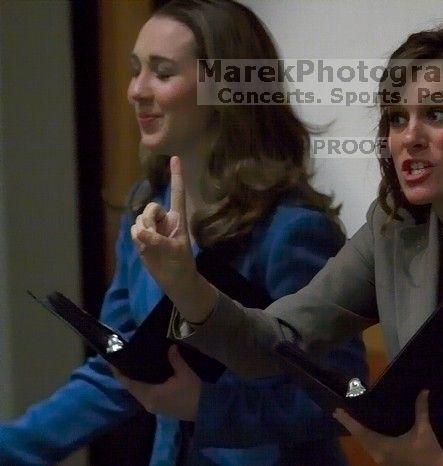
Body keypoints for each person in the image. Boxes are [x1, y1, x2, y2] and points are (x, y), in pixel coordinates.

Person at [131, 22, 443, 466]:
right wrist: (185, 283)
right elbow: (277, 342)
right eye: (396, 118)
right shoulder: (393, 233)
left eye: (436, 114)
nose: (409, 137)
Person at [0, 1, 367, 465]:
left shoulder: (292, 232)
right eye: (136, 70)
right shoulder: (144, 207)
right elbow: (119, 370)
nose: (136, 90)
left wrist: (206, 406)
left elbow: (342, 400)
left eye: (163, 72)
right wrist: (12, 447)